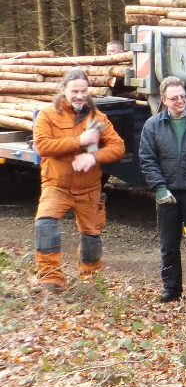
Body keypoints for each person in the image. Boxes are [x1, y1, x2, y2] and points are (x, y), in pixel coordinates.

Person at [31, 69, 125, 291]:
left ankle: (90, 282)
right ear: (64, 90)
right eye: (75, 91)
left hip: (89, 189)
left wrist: (94, 157)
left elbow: (118, 146)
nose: (80, 95)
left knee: (92, 239)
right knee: (45, 227)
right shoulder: (47, 115)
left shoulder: (97, 118)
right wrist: (79, 140)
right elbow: (42, 146)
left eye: (84, 91)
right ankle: (51, 280)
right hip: (56, 185)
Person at [138, 76, 186, 305]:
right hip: (167, 191)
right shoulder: (153, 125)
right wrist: (160, 188)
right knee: (169, 244)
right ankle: (171, 288)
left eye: (183, 96)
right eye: (175, 98)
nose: (181, 101)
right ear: (164, 100)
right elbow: (147, 159)